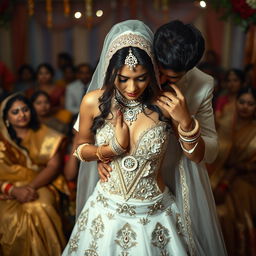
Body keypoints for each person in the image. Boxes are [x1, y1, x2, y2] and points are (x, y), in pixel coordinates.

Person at [63, 20, 226, 256]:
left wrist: (186, 121)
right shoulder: (112, 84)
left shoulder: (197, 88)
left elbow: (207, 151)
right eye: (157, 72)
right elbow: (83, 140)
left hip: (166, 186)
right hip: (110, 198)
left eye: (171, 77)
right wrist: (106, 153)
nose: (134, 87)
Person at [0, 94, 69, 256]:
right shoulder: (2, 141)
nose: (22, 115)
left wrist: (29, 188)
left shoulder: (47, 135)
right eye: (15, 112)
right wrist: (13, 190)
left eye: (25, 110)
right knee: (10, 218)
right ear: (6, 118)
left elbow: (54, 166)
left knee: (42, 208)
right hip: (7, 190)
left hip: (40, 183)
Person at [209, 86, 256, 256]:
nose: (245, 106)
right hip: (217, 173)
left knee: (227, 215)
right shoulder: (223, 125)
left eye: (250, 104)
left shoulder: (254, 131)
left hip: (245, 180)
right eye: (242, 102)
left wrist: (228, 180)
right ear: (235, 103)